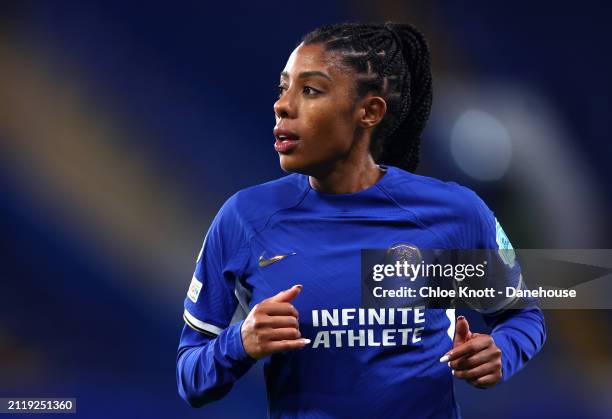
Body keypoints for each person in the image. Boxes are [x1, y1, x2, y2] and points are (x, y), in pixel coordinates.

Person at [176, 22, 546, 418]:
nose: (282, 105)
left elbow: (521, 315)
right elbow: (190, 377)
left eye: (311, 90)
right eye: (283, 88)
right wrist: (240, 342)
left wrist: (500, 352)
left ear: (368, 111)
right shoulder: (245, 219)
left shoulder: (454, 213)